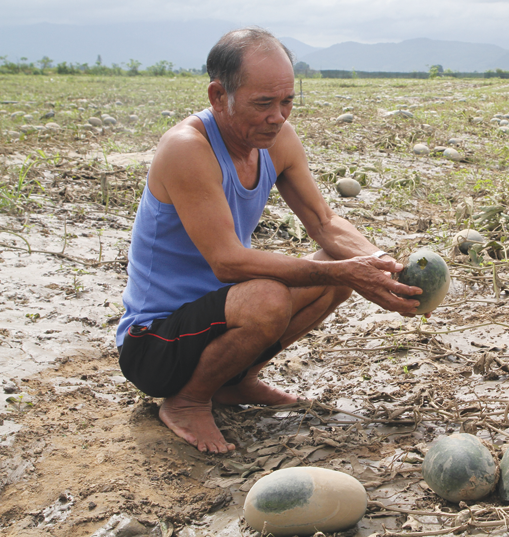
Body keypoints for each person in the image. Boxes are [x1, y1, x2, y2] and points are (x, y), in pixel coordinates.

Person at [116, 27, 422, 453]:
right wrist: (346, 270)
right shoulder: (187, 148)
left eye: (287, 102)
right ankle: (187, 401)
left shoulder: (278, 141)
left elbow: (324, 222)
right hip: (154, 345)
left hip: (217, 320)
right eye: (263, 104)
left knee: (333, 272)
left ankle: (235, 381)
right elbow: (227, 262)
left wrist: (384, 266)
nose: (277, 117)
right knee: (269, 298)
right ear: (218, 96)